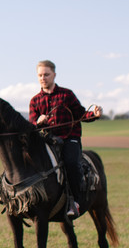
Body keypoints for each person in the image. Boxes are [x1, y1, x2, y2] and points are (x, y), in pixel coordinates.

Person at [29, 59, 103, 219]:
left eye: (46, 74)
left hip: (70, 139)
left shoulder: (66, 95)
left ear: (54, 75)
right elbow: (31, 125)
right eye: (40, 75)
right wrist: (37, 123)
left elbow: (81, 114)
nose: (43, 78)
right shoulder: (35, 100)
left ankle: (75, 202)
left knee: (71, 163)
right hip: (48, 140)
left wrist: (94, 115)